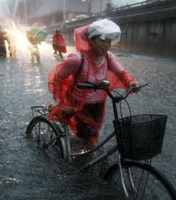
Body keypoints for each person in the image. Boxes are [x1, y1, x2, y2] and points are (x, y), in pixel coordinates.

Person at [48, 18, 141, 151]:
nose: (106, 45)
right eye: (103, 40)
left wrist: (131, 82)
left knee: (89, 138)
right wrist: (57, 98)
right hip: (80, 106)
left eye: (109, 41)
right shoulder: (77, 59)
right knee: (92, 142)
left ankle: (81, 156)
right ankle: (80, 165)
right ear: (91, 39)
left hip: (98, 107)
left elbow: (122, 73)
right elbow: (58, 77)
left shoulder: (108, 57)